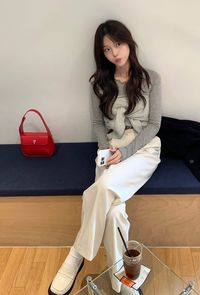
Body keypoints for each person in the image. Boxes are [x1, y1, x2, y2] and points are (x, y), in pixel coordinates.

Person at [48, 19, 162, 295]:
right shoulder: (98, 83)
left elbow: (154, 125)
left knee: (105, 188)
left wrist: (126, 152)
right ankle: (119, 278)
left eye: (118, 44)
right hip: (110, 149)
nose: (115, 53)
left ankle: (75, 254)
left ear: (129, 42)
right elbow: (99, 124)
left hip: (144, 150)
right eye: (107, 49)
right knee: (113, 212)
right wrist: (108, 150)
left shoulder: (150, 78)